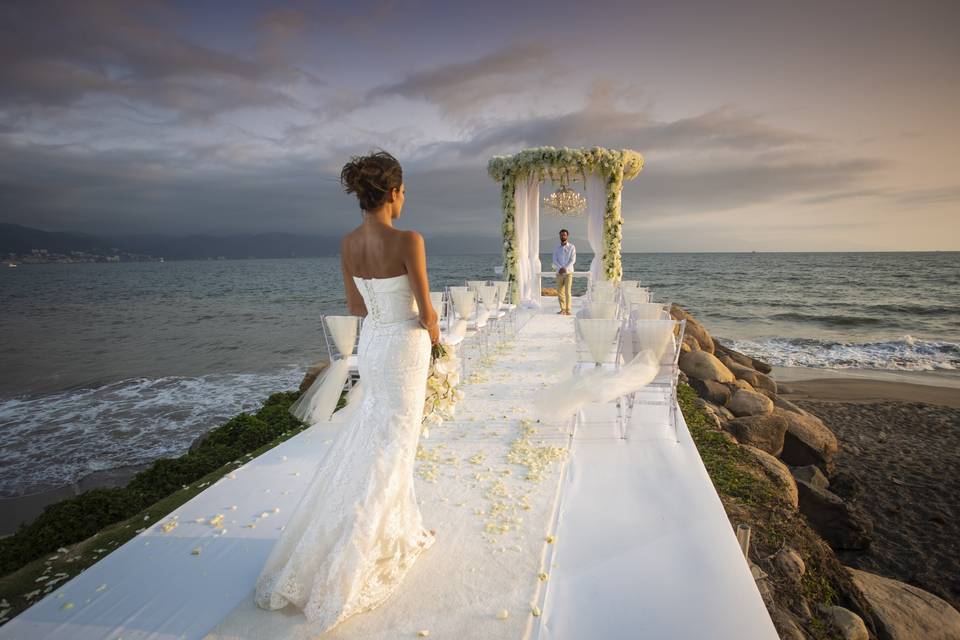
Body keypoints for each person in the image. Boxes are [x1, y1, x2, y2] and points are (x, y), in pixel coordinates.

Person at [253, 150, 439, 633]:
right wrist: (438, 342)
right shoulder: (409, 239)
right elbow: (426, 311)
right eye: (404, 190)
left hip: (374, 345)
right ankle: (361, 550)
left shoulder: (347, 243)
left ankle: (395, 529)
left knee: (375, 435)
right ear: (394, 193)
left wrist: (387, 317)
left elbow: (356, 305)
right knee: (395, 443)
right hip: (404, 346)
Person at [552, 229, 576, 315]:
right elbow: (554, 260)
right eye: (561, 235)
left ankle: (568, 309)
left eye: (564, 235)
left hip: (568, 273)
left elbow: (572, 260)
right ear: (560, 236)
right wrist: (560, 268)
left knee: (567, 292)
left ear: (567, 236)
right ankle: (562, 309)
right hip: (559, 273)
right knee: (560, 292)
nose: (563, 236)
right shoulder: (556, 248)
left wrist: (565, 268)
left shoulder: (572, 247)